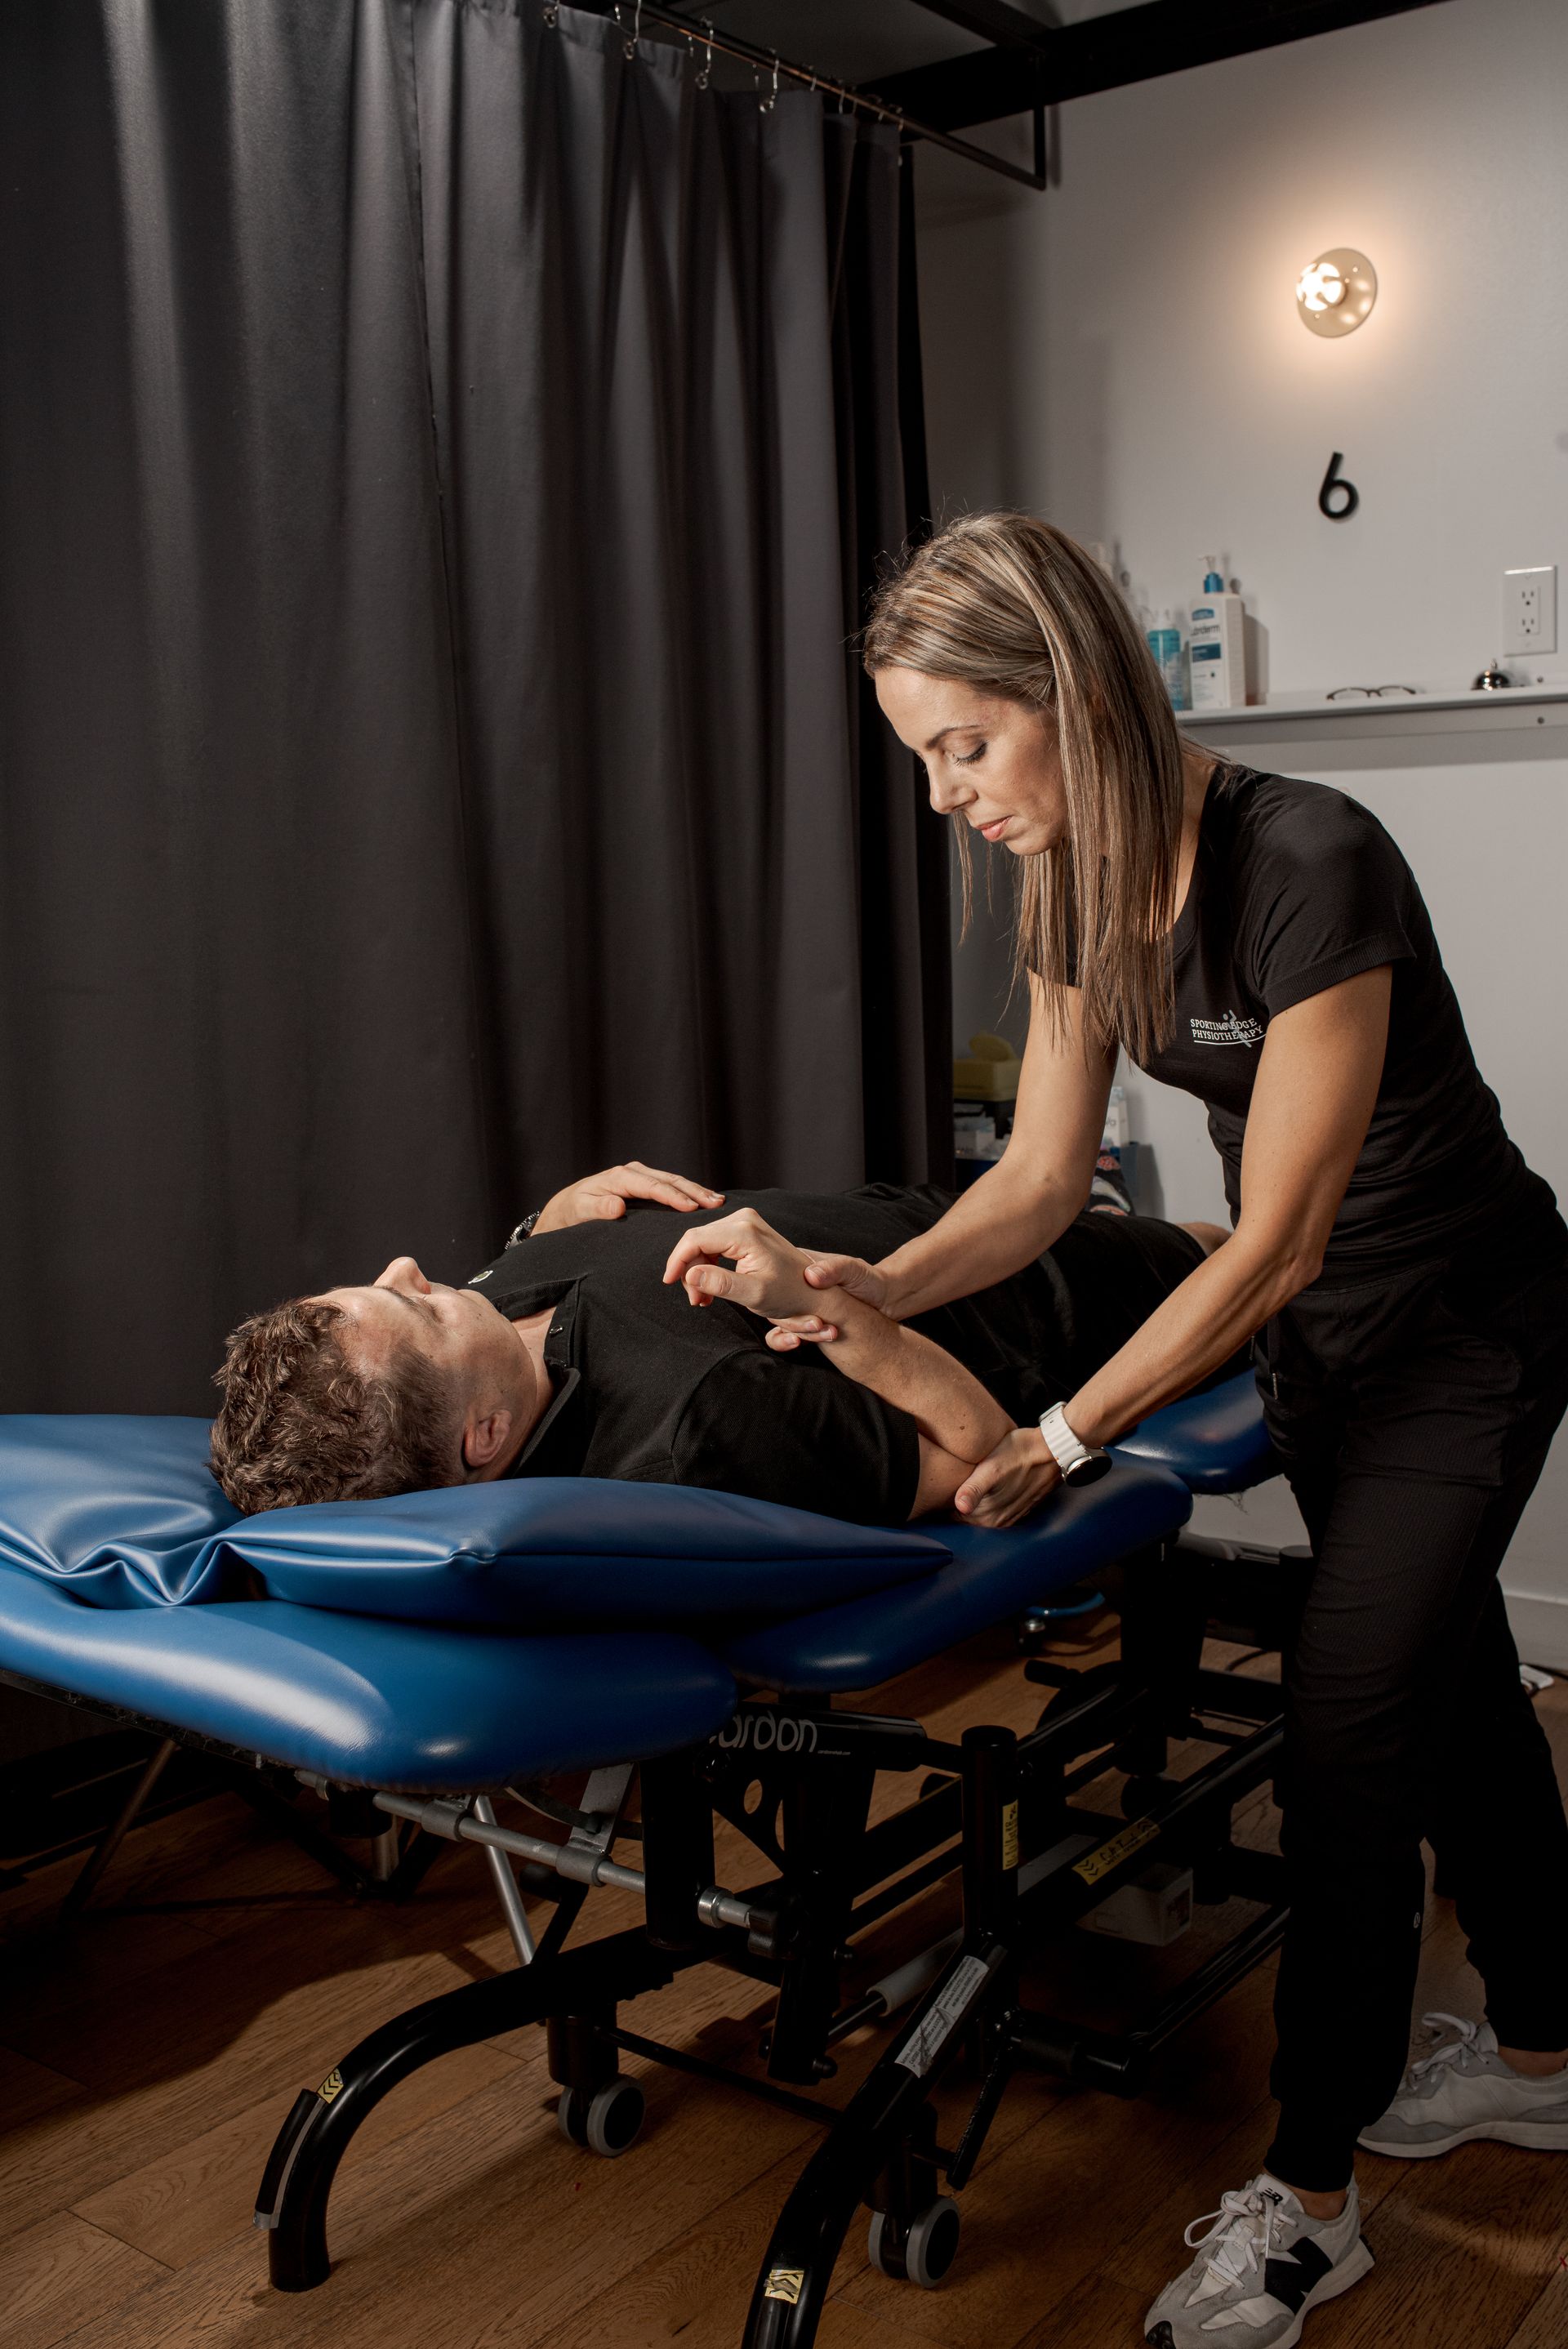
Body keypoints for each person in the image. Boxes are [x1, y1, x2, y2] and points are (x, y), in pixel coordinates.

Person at [750, 513, 1568, 2347]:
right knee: (1438, 1683)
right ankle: (1545, 2043)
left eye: (964, 743)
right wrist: (879, 1285)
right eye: (924, 761)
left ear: (1071, 689)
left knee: (1349, 1728)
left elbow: (1273, 1233)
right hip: (1329, 1348)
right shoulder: (1069, 895)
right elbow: (1038, 1182)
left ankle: (1307, 2202)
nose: (948, 794)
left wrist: (1062, 1422)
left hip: (1465, 1329)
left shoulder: (1310, 859)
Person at [210, 1155, 1223, 1526]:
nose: (406, 1269)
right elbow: (977, 1459)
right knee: (1268, 1247)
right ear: (483, 1440)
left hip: (923, 1215)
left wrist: (547, 1224)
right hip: (1036, 1296)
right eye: (421, 1309)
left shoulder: (478, 1370)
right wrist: (830, 1313)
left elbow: (491, 1295)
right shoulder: (700, 1417)